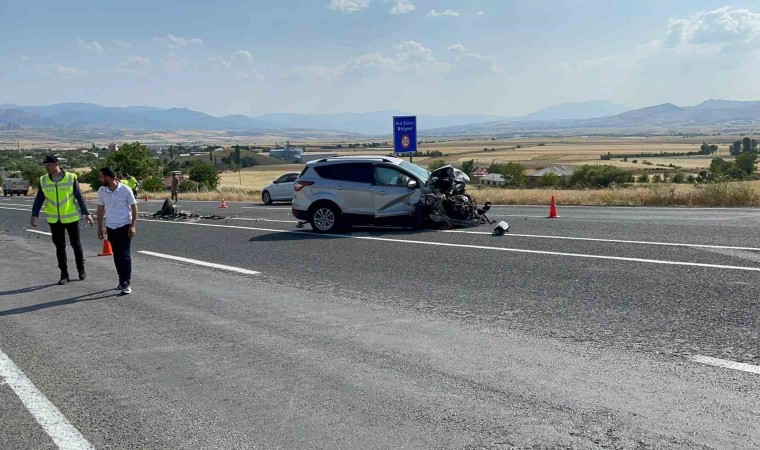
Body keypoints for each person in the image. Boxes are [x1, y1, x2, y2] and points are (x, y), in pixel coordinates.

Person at [30, 156, 94, 284]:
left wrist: (86, 213)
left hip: (71, 217)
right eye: (45, 165)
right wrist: (34, 214)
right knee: (60, 247)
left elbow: (79, 196)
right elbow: (39, 199)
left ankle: (81, 269)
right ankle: (64, 274)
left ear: (56, 164)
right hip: (54, 219)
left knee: (76, 244)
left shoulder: (71, 177)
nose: (46, 167)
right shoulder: (43, 180)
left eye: (48, 165)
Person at [96, 167, 138, 295]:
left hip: (124, 225)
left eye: (101, 176)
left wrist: (133, 225)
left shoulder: (125, 189)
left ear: (108, 178)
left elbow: (134, 207)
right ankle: (121, 280)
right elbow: (100, 209)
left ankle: (126, 282)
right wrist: (99, 227)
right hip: (111, 227)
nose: (100, 179)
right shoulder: (102, 191)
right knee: (117, 255)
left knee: (124, 254)